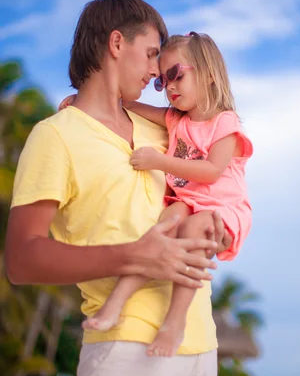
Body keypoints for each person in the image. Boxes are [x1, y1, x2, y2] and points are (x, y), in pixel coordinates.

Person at [5, 0, 229, 376]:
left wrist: (214, 229)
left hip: (201, 344)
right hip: (123, 350)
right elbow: (20, 258)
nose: (155, 72)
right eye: (149, 55)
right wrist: (133, 255)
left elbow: (209, 186)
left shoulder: (164, 130)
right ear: (115, 43)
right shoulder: (55, 136)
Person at [78, 32, 253, 358]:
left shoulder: (225, 122)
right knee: (160, 231)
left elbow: (212, 171)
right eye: (162, 81)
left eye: (177, 75)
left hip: (222, 207)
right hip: (187, 202)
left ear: (210, 75)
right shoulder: (176, 119)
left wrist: (158, 161)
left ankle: (175, 322)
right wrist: (79, 102)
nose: (169, 86)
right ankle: (116, 302)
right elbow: (126, 104)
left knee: (193, 229)